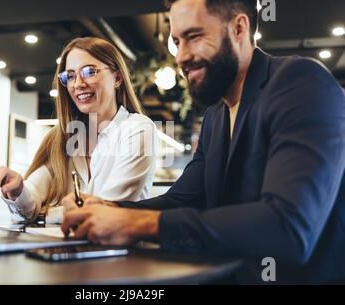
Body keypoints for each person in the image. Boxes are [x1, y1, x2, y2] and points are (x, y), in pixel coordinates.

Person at [61, 0, 345, 283]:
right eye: (176, 42)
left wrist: (140, 224)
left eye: (193, 37)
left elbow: (288, 227)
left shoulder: (301, 83)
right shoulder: (216, 116)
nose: (182, 56)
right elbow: (182, 200)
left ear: (239, 28)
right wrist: (108, 209)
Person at [0, 37, 158, 224]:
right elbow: (31, 200)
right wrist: (17, 189)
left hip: (119, 251)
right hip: (66, 249)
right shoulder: (64, 137)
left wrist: (45, 214)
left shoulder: (138, 129)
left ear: (117, 78)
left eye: (89, 72)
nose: (78, 83)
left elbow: (105, 212)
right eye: (70, 76)